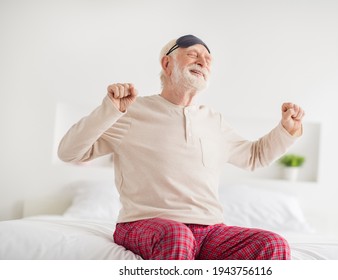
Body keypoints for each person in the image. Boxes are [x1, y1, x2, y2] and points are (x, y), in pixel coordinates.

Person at [58, 34, 305, 260]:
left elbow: (255, 157)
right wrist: (110, 110)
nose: (203, 62)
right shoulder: (130, 111)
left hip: (211, 231)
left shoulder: (214, 121)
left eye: (208, 59)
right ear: (167, 64)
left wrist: (286, 130)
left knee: (273, 244)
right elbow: (69, 152)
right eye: (193, 54)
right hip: (144, 223)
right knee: (177, 237)